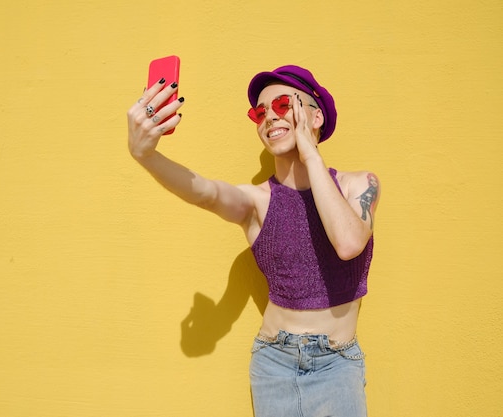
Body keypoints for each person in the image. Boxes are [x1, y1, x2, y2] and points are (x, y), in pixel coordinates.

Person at [127, 65, 380, 417]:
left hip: (337, 363)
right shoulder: (257, 202)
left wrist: (310, 154)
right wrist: (146, 156)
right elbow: (206, 192)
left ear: (316, 115)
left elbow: (348, 243)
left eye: (282, 106)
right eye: (259, 113)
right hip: (275, 361)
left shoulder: (360, 185)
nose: (268, 118)